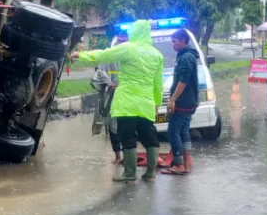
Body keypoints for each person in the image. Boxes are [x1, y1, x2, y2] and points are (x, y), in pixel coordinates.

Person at [73, 20, 164, 182]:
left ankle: (129, 173)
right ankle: (150, 173)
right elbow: (158, 85)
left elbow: (104, 54)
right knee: (149, 137)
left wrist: (80, 55)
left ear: (135, 32)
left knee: (127, 137)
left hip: (127, 103)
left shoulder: (128, 49)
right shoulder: (157, 55)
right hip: (146, 103)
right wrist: (156, 104)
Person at [162, 29, 197, 175]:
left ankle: (178, 163)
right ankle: (187, 159)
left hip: (183, 101)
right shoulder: (186, 55)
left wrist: (172, 100)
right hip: (189, 101)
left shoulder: (186, 57)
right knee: (183, 131)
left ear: (183, 40)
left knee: (173, 131)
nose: (173, 44)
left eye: (174, 41)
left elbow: (183, 80)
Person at [90, 59, 123, 164]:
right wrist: (108, 85)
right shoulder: (107, 60)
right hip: (111, 99)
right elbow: (97, 77)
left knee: (120, 128)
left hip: (124, 99)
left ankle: (122, 156)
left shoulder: (131, 59)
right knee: (113, 128)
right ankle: (119, 156)